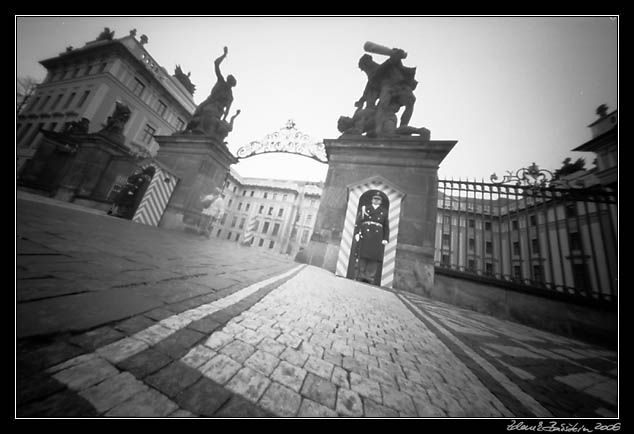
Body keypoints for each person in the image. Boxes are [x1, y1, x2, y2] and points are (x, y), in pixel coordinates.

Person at [355, 49, 417, 130]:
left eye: (364, 67)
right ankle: (378, 128)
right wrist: (362, 99)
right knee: (383, 107)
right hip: (388, 88)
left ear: (367, 63)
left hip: (400, 85)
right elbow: (370, 85)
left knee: (410, 102)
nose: (365, 70)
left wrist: (397, 56)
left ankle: (403, 126)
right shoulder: (374, 74)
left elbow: (393, 64)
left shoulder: (383, 67)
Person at [185, 46, 237, 136]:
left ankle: (199, 128)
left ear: (231, 84)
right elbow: (216, 63)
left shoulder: (229, 95)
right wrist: (224, 55)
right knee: (198, 110)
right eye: (228, 81)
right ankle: (188, 129)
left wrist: (223, 118)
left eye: (229, 82)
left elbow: (227, 109)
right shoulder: (221, 81)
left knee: (207, 112)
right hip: (209, 101)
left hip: (217, 109)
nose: (228, 83)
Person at [353, 191, 389, 284]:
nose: (376, 201)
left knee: (374, 257)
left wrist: (385, 238)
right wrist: (357, 233)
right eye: (375, 199)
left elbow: (386, 226)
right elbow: (359, 222)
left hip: (377, 237)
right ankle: (360, 275)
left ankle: (369, 277)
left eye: (378, 200)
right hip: (365, 234)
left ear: (381, 202)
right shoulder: (365, 208)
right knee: (363, 255)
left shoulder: (384, 212)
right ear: (372, 200)